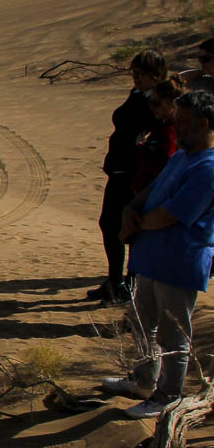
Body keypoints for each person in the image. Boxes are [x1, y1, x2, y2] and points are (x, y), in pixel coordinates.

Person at [102, 89, 214, 419]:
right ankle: (142, 379)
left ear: (204, 123)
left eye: (182, 122)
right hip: (151, 257)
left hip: (180, 260)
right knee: (141, 322)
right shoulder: (181, 156)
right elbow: (152, 190)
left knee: (172, 332)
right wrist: (129, 212)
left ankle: (168, 394)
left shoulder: (208, 168)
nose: (174, 127)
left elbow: (173, 214)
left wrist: (135, 225)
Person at [90, 50, 165, 304]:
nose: (135, 79)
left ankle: (127, 284)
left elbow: (165, 130)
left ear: (155, 75)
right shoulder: (138, 95)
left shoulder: (157, 100)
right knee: (110, 224)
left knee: (129, 227)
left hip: (136, 174)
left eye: (140, 75)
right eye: (133, 74)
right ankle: (115, 280)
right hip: (119, 168)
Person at [131, 79, 185, 193]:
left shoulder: (171, 131)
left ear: (173, 103)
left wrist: (143, 147)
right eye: (150, 102)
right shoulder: (164, 127)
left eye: (156, 103)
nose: (152, 107)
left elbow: (166, 165)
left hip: (157, 192)